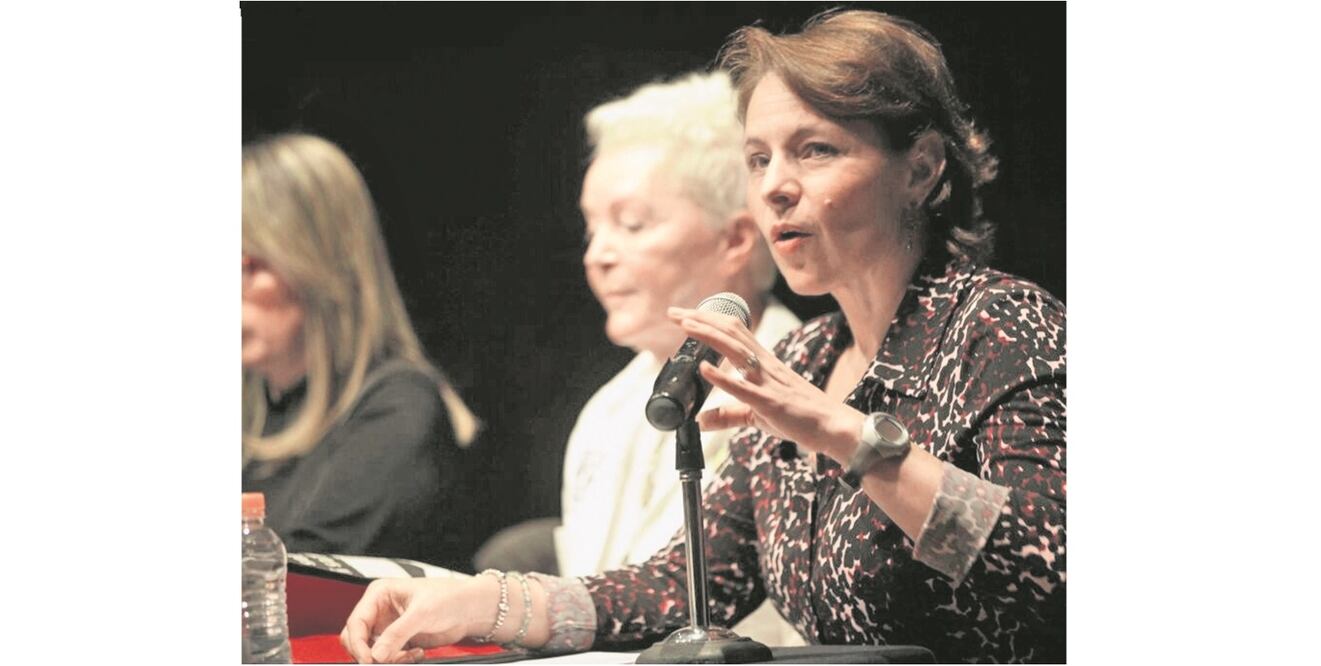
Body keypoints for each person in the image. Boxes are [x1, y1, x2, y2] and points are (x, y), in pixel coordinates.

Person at [340, 9, 1065, 663]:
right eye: (758, 158)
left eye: (813, 150)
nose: (775, 185)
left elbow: (1051, 567)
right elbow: (671, 589)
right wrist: (479, 603)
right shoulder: (802, 358)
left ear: (922, 168)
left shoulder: (999, 327)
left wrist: (846, 436)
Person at [472, 71, 804, 646]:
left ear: (736, 240)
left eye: (631, 224)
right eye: (591, 227)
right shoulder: (609, 407)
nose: (597, 254)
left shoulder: (794, 387)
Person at [242, 133, 480, 569]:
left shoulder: (398, 408)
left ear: (318, 265)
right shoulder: (249, 411)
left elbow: (288, 585)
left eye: (250, 267)